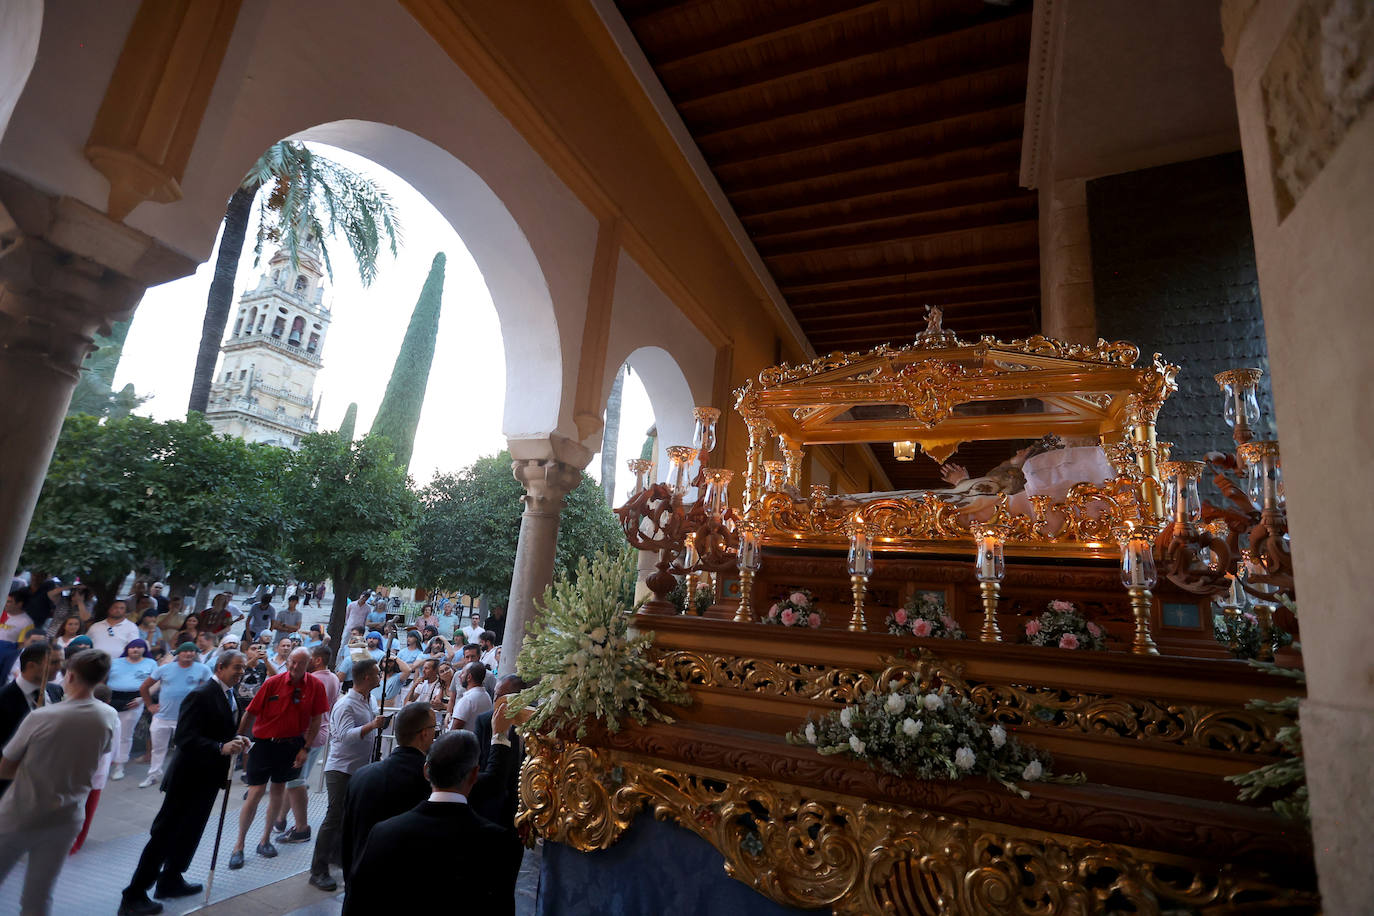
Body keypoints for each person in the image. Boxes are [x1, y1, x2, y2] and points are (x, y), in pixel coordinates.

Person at [117, 650, 249, 915]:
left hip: (209, 778)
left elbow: (218, 730)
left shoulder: (229, 694)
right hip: (187, 778)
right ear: (220, 667)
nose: (241, 673)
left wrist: (235, 740)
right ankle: (134, 894)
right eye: (237, 667)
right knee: (164, 835)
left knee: (191, 832)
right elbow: (185, 738)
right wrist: (220, 747)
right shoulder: (201, 694)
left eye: (243, 668)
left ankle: (171, 879)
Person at [342, 728, 520, 915]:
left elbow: (358, 901)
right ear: (475, 774)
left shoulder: (383, 833)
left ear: (427, 771)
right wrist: (500, 734)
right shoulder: (498, 842)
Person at [0, 649, 117, 916]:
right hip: (67, 816)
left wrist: (36, 764)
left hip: (22, 812)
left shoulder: (40, 716)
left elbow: (4, 768)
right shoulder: (109, 715)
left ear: (70, 675)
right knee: (39, 895)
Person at [227, 647, 327, 869]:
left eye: (299, 663)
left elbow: (316, 720)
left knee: (278, 792)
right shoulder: (272, 683)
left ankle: (264, 840)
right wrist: (239, 738)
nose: (294, 666)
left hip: (292, 745)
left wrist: (306, 748)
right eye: (292, 661)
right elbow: (250, 713)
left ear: (308, 664)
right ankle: (239, 846)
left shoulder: (315, 686)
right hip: (264, 744)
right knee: (255, 793)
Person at [306, 659, 385, 892]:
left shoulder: (370, 699)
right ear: (367, 677)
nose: (380, 676)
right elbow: (343, 736)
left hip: (359, 768)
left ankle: (337, 857)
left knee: (348, 816)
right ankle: (317, 870)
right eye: (377, 673)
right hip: (341, 769)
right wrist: (372, 726)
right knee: (334, 817)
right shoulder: (345, 704)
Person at [339, 702, 436, 883]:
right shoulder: (430, 782)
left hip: (359, 880)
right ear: (424, 733)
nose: (434, 734)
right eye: (434, 728)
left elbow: (346, 838)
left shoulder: (361, 776)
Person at [275, 646, 340, 845]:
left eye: (305, 661)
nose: (300, 666)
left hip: (307, 736)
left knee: (296, 781)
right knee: (295, 780)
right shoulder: (334, 678)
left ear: (317, 660)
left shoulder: (312, 681)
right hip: (320, 734)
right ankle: (281, 819)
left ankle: (301, 828)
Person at [137, 642, 213, 788]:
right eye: (185, 651)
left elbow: (209, 690)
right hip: (162, 717)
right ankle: (153, 775)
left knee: (185, 749)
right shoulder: (165, 668)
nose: (189, 653)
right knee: (158, 749)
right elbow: (144, 686)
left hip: (187, 718)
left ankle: (183, 776)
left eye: (192, 651)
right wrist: (149, 705)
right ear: (178, 653)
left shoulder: (203, 669)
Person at [107, 639, 158, 781]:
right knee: (109, 732)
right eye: (132, 647)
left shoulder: (150, 663)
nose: (135, 649)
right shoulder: (115, 662)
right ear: (127, 649)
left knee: (125, 734)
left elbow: (157, 682)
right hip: (112, 698)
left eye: (139, 647)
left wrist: (142, 698)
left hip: (134, 699)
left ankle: (119, 766)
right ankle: (106, 762)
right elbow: (103, 679)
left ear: (144, 649)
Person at [0, 642, 64, 754]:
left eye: (61, 661)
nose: (60, 667)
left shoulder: (56, 690)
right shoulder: (3, 698)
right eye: (54, 662)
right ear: (31, 666)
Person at [446, 661, 493, 733]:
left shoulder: (467, 700)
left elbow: (454, 732)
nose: (459, 676)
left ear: (469, 677)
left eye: (462, 673)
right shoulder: (486, 696)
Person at [0, 583, 35, 681]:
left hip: (5, 657)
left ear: (19, 604)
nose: (6, 603)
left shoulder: (26, 622)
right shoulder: (2, 612)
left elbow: (21, 645)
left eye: (9, 602)